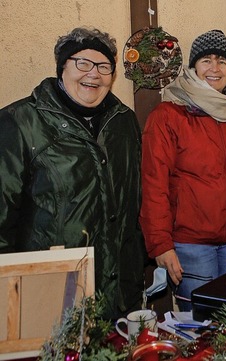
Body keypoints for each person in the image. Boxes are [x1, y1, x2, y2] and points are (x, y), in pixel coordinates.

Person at [0, 27, 145, 319]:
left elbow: (135, 201)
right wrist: (9, 294)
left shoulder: (124, 123)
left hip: (120, 291)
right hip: (53, 289)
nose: (93, 74)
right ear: (61, 68)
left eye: (104, 66)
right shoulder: (20, 123)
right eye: (83, 63)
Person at [140, 29, 226, 311]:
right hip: (190, 244)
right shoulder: (169, 115)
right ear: (193, 67)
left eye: (222, 61)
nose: (215, 68)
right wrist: (161, 245)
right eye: (206, 60)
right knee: (200, 325)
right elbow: (154, 183)